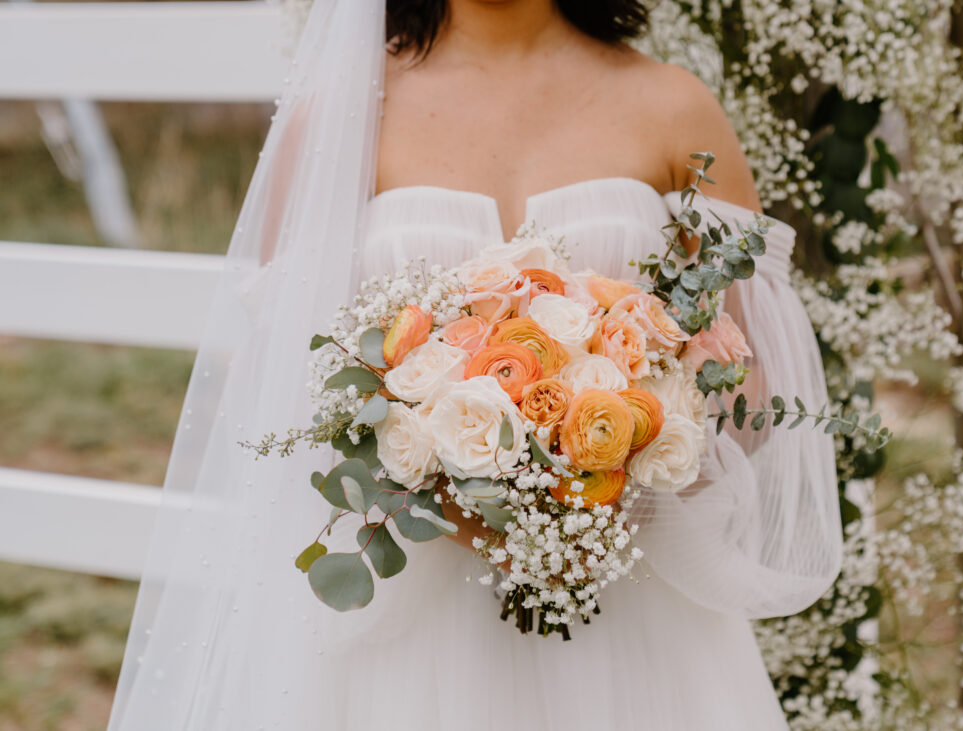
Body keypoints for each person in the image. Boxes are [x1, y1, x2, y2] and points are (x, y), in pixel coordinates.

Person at [107, 1, 841, 729]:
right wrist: (448, 497)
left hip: (633, 605)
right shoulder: (339, 115)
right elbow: (287, 379)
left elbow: (750, 376)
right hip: (408, 628)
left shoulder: (672, 105)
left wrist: (617, 475)